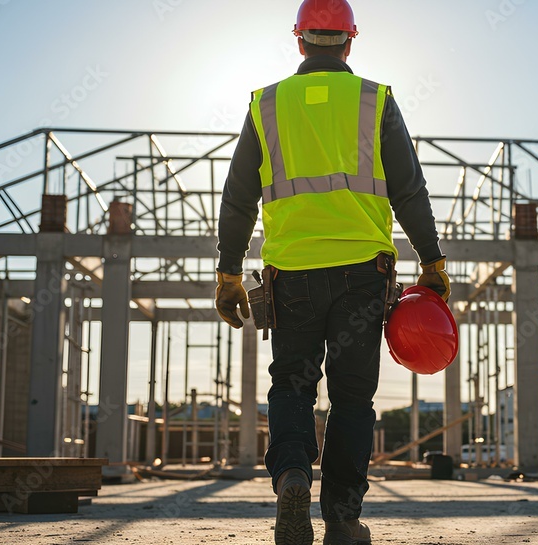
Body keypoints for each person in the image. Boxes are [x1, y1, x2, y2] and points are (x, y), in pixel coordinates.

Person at [214, 1, 449, 543]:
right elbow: (409, 189)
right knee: (351, 398)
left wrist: (229, 274)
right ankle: (342, 518)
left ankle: (292, 473)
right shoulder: (375, 100)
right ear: (350, 42)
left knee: (292, 383)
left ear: (299, 42)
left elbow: (238, 199)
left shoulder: (265, 104)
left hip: (291, 272)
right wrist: (432, 262)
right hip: (363, 275)